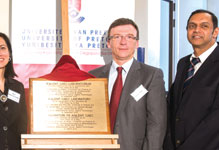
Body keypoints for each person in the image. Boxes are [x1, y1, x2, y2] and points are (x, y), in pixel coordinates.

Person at [89, 18, 167, 150]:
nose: (123, 42)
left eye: (130, 37)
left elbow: (156, 123)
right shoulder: (93, 76)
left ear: (137, 43)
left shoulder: (151, 75)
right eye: (117, 37)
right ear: (108, 43)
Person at [164, 9, 219, 150]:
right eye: (192, 26)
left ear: (215, 32)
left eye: (204, 26)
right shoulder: (183, 63)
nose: (196, 30)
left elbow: (215, 119)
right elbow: (174, 108)